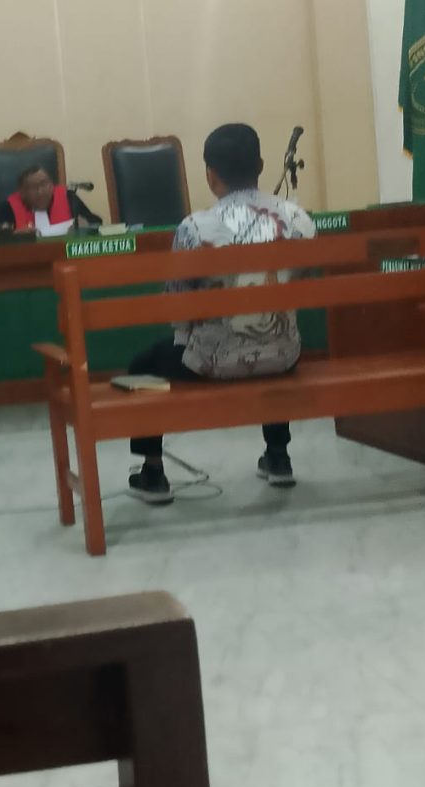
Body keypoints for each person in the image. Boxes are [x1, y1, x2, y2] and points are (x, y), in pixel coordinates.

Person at [126, 123, 316, 504]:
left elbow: (177, 307)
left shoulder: (195, 228)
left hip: (211, 363)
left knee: (141, 366)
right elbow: (303, 284)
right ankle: (278, 456)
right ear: (260, 165)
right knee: (268, 338)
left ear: (211, 174)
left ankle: (153, 472)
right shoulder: (299, 219)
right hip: (284, 356)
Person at [0, 166, 101, 236]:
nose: (40, 192)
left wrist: (86, 224)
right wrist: (13, 236)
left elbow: (96, 222)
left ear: (51, 185)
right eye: (33, 187)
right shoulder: (8, 207)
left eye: (44, 184)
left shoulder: (68, 197)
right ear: (22, 192)